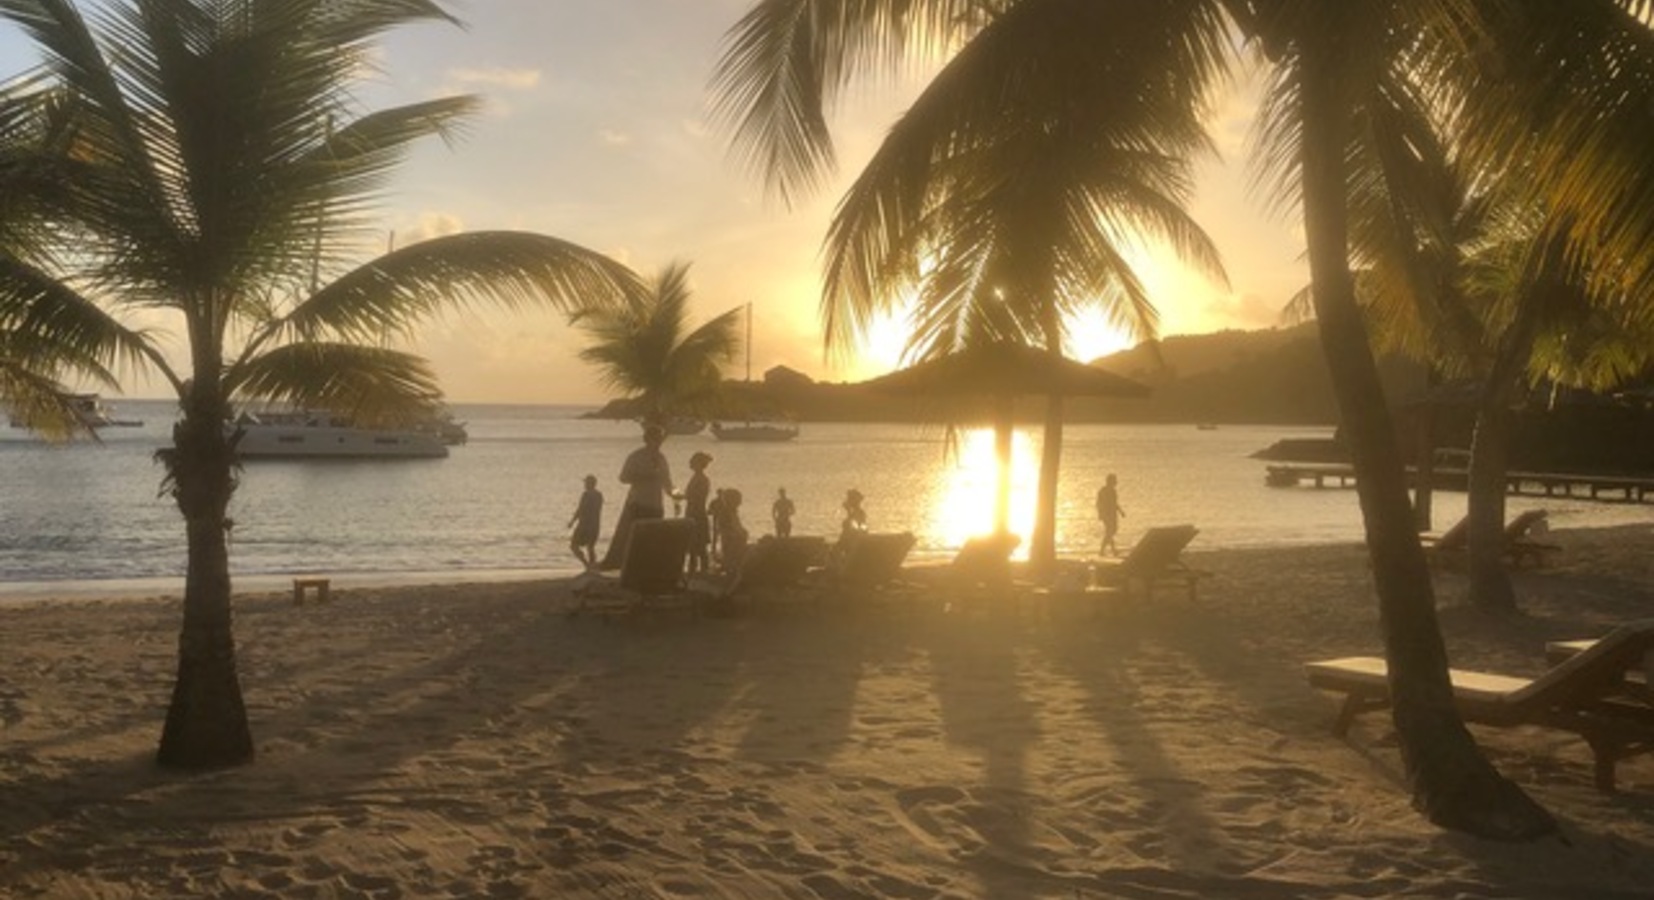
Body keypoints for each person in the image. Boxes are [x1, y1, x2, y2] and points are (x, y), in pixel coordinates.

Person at [598, 424, 675, 570]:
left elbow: (667, 482)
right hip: (638, 502)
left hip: (656, 504)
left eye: (660, 439)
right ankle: (628, 565)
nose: (658, 442)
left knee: (653, 538)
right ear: (648, 439)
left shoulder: (662, 458)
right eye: (656, 439)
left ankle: (648, 566)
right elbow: (623, 477)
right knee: (633, 537)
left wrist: (677, 495)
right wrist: (642, 477)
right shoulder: (636, 456)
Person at [684, 451, 714, 574]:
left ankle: (701, 571)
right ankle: (696, 571)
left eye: (693, 461)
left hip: (697, 513)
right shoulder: (698, 478)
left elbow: (696, 496)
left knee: (698, 546)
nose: (690, 463)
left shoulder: (702, 479)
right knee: (694, 546)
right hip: (694, 512)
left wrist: (684, 496)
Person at [567, 474, 603, 571]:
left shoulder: (586, 495)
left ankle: (587, 564)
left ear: (589, 484)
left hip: (584, 525)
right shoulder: (599, 495)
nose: (584, 485)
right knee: (590, 547)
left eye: (586, 483)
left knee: (573, 546)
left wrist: (572, 521)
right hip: (595, 525)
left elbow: (580, 509)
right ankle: (592, 566)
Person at [717, 487, 749, 573]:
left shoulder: (732, 512)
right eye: (738, 500)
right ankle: (729, 568)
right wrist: (734, 534)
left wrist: (743, 532)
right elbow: (723, 527)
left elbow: (737, 525)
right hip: (731, 540)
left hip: (736, 540)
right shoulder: (725, 512)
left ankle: (731, 567)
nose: (740, 503)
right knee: (731, 556)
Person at [1096, 473, 1125, 556]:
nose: (1116, 482)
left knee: (1111, 531)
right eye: (1114, 481)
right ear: (1110, 481)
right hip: (1107, 514)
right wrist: (1100, 514)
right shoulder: (1103, 491)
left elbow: (1115, 503)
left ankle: (1111, 550)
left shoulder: (1113, 491)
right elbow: (1099, 503)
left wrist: (1121, 511)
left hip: (1112, 514)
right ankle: (1105, 550)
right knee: (1110, 531)